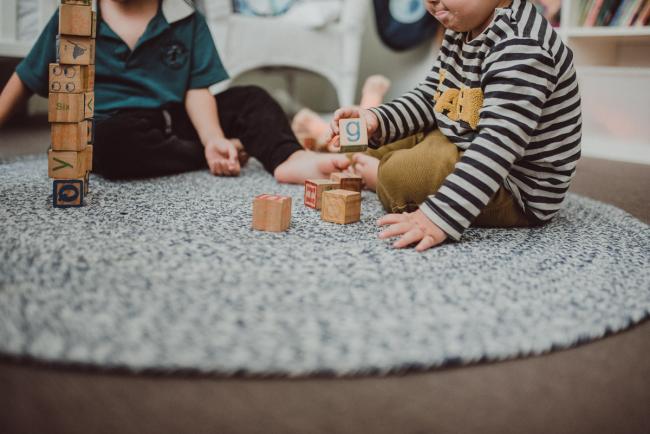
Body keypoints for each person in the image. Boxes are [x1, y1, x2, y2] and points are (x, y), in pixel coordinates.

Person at [0, 0, 350, 183]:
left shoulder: (185, 17)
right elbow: (24, 80)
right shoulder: (73, 17)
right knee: (108, 143)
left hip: (178, 117)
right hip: (112, 126)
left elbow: (198, 90)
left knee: (253, 98)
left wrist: (213, 136)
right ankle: (204, 155)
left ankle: (287, 158)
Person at [329, 0, 582, 252]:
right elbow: (433, 97)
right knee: (385, 137)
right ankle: (365, 154)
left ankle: (379, 175)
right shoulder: (460, 26)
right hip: (465, 137)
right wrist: (379, 120)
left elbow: (496, 147)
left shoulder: (522, 46)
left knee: (403, 174)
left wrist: (438, 218)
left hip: (512, 186)